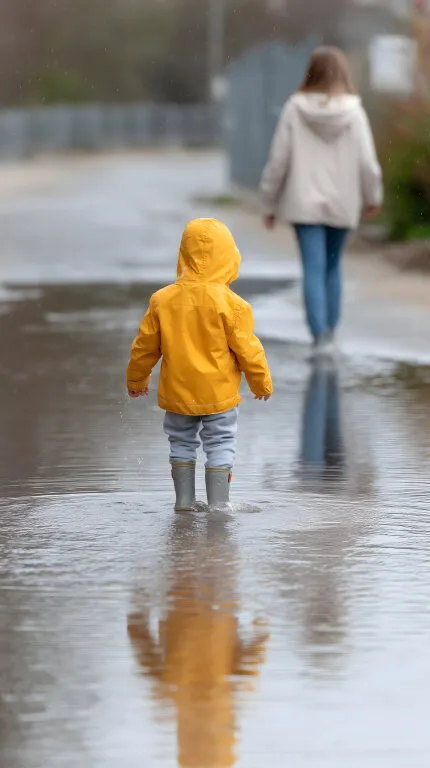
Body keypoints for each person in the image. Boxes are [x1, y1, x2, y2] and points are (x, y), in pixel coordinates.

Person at [126, 218, 273, 511]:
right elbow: (249, 350)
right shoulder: (233, 305)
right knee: (220, 443)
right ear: (228, 257)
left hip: (178, 394)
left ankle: (184, 501)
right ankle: (219, 504)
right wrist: (261, 383)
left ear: (183, 255)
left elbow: (144, 347)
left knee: (180, 442)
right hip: (219, 395)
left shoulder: (162, 300)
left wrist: (136, 380)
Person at [260, 46, 383, 354]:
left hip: (304, 204)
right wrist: (373, 196)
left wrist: (269, 203)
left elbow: (278, 160)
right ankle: (331, 331)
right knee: (332, 266)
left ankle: (319, 337)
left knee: (313, 269)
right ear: (343, 73)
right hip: (343, 202)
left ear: (311, 72)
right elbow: (367, 162)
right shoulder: (354, 113)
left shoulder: (294, 109)